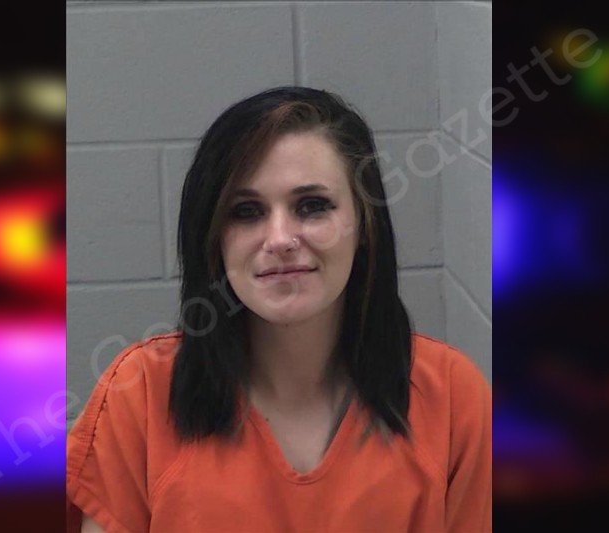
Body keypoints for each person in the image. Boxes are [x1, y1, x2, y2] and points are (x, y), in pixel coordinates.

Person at [66, 87, 491, 532]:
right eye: (246, 211)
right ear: (213, 237)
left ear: (365, 224)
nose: (281, 239)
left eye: (312, 206)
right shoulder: (138, 395)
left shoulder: (452, 396)